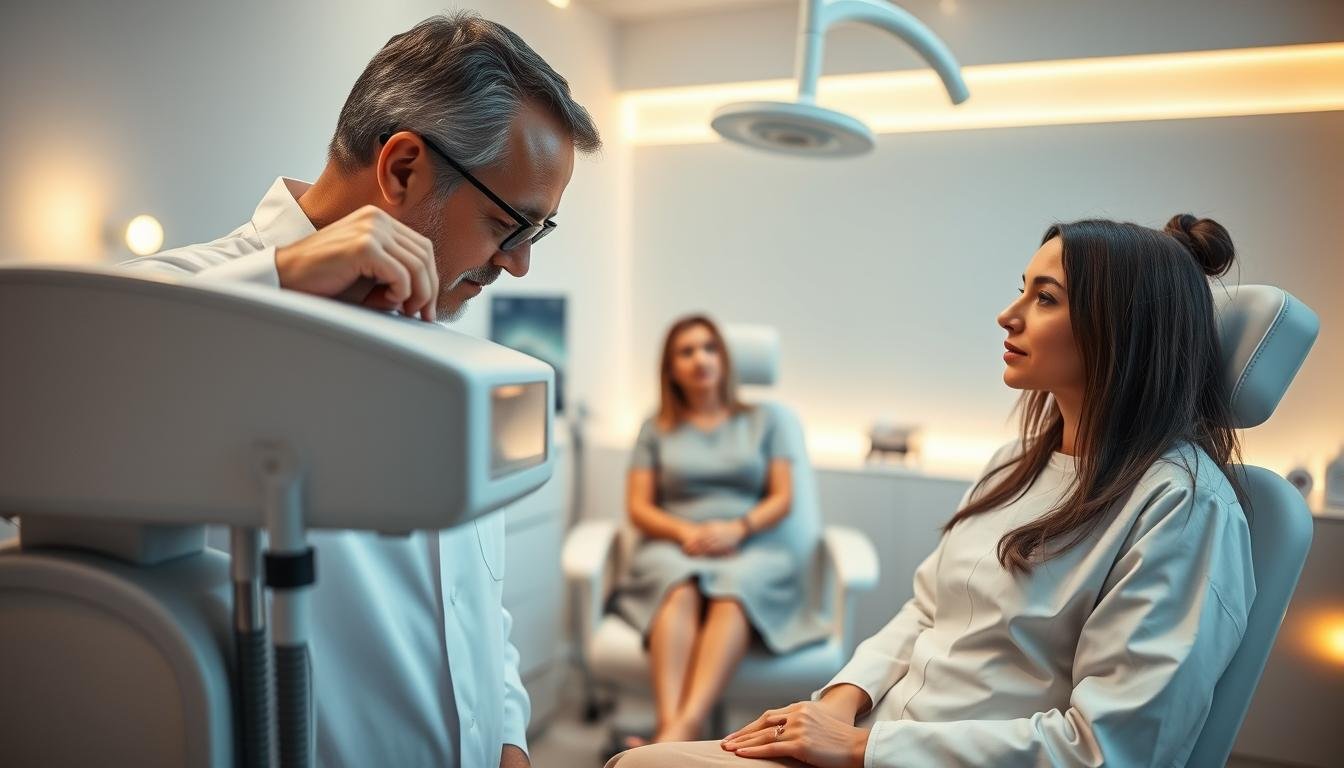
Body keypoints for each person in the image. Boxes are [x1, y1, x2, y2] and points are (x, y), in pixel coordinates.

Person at [122, 12, 601, 767]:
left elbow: (476, 595)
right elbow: (48, 404)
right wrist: (284, 280)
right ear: (404, 168)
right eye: (510, 226)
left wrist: (507, 733)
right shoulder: (166, 301)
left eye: (537, 235)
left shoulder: (458, 354)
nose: (518, 265)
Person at [608, 214, 1254, 767]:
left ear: (1123, 329)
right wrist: (837, 705)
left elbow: (1112, 748)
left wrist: (864, 748)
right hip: (876, 735)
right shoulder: (1012, 465)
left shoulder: (1181, 507)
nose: (1007, 315)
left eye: (1045, 298)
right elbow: (926, 611)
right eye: (1022, 291)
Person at [610, 315, 827, 748]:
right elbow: (639, 507)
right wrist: (686, 533)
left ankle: (677, 734)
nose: (700, 359)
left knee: (734, 589)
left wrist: (736, 529)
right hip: (676, 545)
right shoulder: (655, 427)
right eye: (686, 351)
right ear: (671, 369)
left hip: (749, 546)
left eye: (709, 348)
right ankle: (673, 728)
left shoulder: (768, 420)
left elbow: (783, 497)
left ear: (725, 360)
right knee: (679, 586)